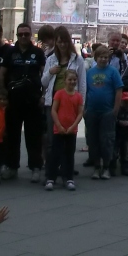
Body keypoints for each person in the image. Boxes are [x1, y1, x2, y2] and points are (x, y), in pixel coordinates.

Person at [0, 24, 46, 181]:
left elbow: (44, 75)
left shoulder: (38, 52)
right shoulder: (10, 52)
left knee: (34, 136)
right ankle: (12, 166)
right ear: (17, 35)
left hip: (33, 99)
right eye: (21, 34)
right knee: (12, 135)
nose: (24, 37)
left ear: (31, 35)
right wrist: (3, 95)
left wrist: (43, 95)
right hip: (13, 99)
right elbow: (2, 74)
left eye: (26, 34)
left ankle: (35, 167)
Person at [41, 27, 87, 159]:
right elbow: (43, 82)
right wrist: (50, 72)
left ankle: (67, 166)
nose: (62, 45)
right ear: (56, 42)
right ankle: (51, 166)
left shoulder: (77, 60)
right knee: (52, 136)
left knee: (68, 135)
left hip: (71, 102)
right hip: (53, 101)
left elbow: (82, 83)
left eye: (65, 41)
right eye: (60, 42)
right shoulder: (51, 59)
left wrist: (81, 104)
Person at [84, 44, 123, 178]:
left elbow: (119, 90)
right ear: (96, 58)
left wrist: (116, 109)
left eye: (106, 57)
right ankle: (96, 166)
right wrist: (84, 109)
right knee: (93, 140)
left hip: (108, 111)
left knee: (107, 140)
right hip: (92, 111)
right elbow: (85, 91)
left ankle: (106, 167)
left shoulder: (113, 72)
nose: (103, 59)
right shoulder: (90, 72)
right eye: (101, 57)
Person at [45, 71, 83, 190]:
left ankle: (69, 178)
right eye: (70, 79)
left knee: (69, 154)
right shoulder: (59, 93)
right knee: (55, 154)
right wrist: (59, 125)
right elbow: (53, 110)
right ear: (64, 80)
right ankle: (51, 178)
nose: (72, 82)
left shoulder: (78, 96)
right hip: (59, 130)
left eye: (74, 79)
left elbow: (80, 113)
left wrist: (73, 126)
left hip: (71, 130)